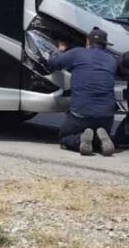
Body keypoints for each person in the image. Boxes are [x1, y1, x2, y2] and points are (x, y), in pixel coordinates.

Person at [47, 27, 118, 156]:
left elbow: (52, 63)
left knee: (64, 137)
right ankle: (99, 139)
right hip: (106, 117)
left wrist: (61, 49)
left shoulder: (77, 53)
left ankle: (79, 139)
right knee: (98, 128)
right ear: (105, 45)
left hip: (81, 115)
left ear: (87, 42)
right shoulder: (112, 60)